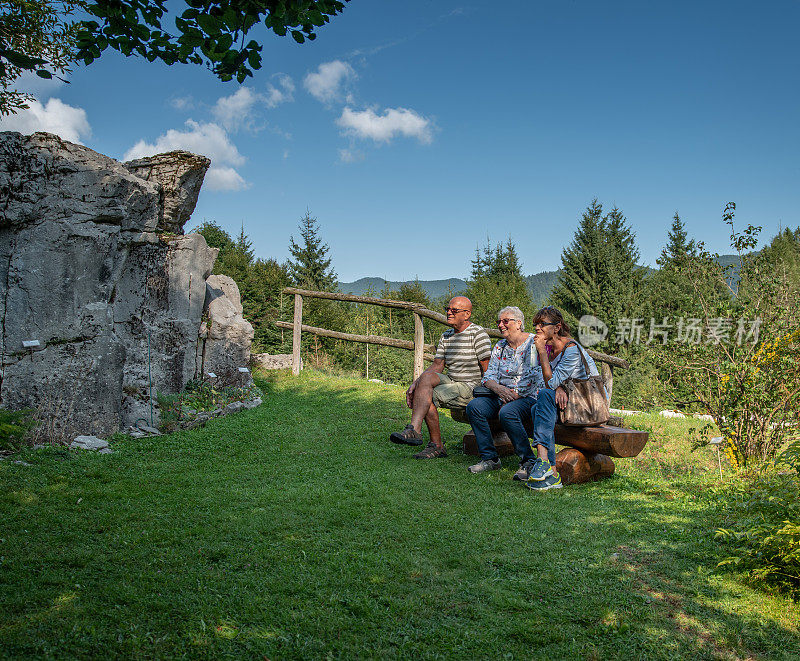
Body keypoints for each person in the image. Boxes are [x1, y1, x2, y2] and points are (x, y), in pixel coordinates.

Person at [390, 296, 491, 459]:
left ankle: (436, 446)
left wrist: (490, 397)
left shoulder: (478, 334)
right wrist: (416, 383)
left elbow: (487, 368)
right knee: (426, 380)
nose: (449, 313)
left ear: (467, 314)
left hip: (471, 387)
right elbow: (437, 365)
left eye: (454, 310)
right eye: (448, 309)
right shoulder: (446, 335)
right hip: (452, 381)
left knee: (425, 396)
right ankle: (414, 429)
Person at [525, 305, 602, 491]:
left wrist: (542, 352)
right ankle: (551, 472)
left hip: (586, 404)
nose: (537, 328)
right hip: (563, 402)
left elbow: (548, 384)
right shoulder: (541, 348)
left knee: (542, 399)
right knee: (537, 408)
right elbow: (537, 378)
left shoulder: (571, 349)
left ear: (557, 327)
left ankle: (543, 463)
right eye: (535, 324)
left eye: (542, 324)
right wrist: (558, 386)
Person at [465, 306, 545, 479]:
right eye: (499, 322)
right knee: (474, 407)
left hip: (527, 396)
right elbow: (489, 375)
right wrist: (499, 389)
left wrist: (515, 394)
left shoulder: (532, 343)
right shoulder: (500, 346)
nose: (500, 325)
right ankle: (490, 459)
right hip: (501, 395)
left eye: (505, 321)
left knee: (508, 412)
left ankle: (528, 461)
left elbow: (535, 375)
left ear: (518, 323)